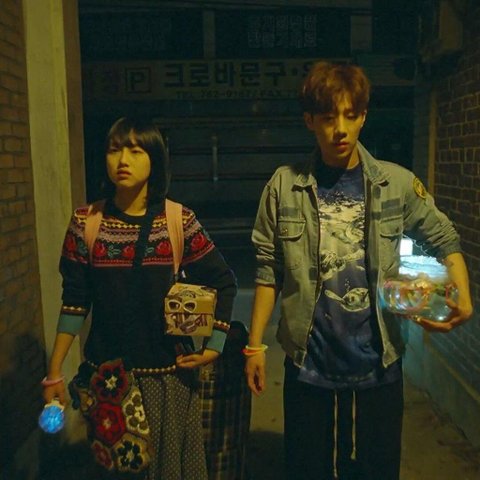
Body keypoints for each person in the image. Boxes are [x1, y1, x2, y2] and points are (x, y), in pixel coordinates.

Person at [245, 62, 473, 480]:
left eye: (351, 115)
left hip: (378, 361)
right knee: (306, 469)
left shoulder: (395, 183)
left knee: (376, 470)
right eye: (328, 117)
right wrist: (254, 345)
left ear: (364, 116)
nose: (340, 129)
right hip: (308, 360)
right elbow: (268, 269)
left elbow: (444, 237)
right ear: (310, 120)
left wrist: (462, 291)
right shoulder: (284, 186)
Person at [42, 116, 237, 479]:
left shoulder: (178, 221)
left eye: (135, 151)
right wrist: (54, 372)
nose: (123, 160)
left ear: (155, 159)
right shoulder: (86, 222)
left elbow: (223, 281)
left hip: (168, 381)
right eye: (114, 150)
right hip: (109, 382)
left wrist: (215, 345)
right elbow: (75, 301)